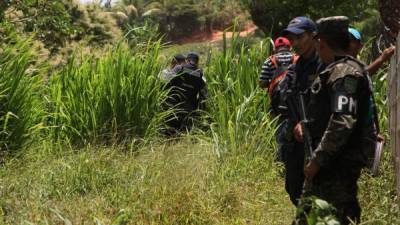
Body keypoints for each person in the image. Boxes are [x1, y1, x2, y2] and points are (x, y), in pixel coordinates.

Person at [294, 16, 377, 225]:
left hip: (334, 167)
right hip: (332, 165)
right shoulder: (340, 69)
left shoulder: (343, 73)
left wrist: (317, 160)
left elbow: (342, 121)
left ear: (320, 43)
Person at [277, 16, 324, 206]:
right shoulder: (295, 68)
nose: (294, 43)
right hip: (297, 138)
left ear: (314, 36)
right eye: (292, 39)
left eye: (299, 37)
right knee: (294, 186)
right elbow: (285, 97)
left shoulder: (326, 63)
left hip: (322, 135)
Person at [259, 36, 298, 162]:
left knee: (279, 134)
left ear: (275, 49)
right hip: (297, 103)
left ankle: (281, 162)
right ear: (289, 47)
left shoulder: (270, 61)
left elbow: (262, 82)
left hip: (277, 105)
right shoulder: (297, 59)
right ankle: (296, 159)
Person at [164, 52, 207, 134]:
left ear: (187, 60)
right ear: (197, 62)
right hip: (189, 108)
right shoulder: (200, 74)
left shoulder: (179, 68)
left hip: (174, 105)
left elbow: (165, 80)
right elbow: (204, 94)